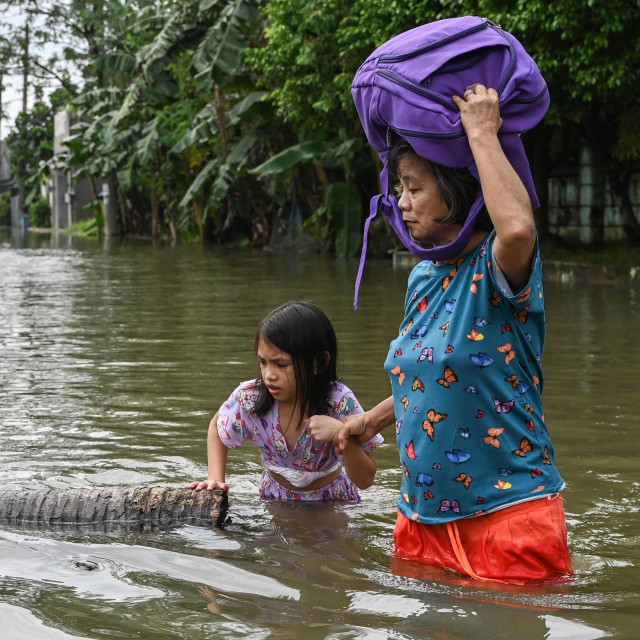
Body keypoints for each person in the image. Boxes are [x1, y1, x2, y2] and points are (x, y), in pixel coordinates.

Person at [324, 85, 572, 583]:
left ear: (456, 191)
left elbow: (519, 228)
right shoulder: (423, 276)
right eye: (400, 188)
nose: (402, 201)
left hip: (508, 518)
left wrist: (482, 133)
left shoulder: (500, 269)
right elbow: (432, 375)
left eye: (415, 187)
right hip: (420, 524)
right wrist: (369, 422)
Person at [186, 300, 382, 502]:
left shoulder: (339, 402)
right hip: (275, 499)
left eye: (281, 364)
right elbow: (217, 426)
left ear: (319, 363)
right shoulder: (251, 398)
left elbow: (366, 480)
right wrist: (215, 479)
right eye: (263, 362)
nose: (269, 375)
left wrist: (342, 437)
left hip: (332, 502)